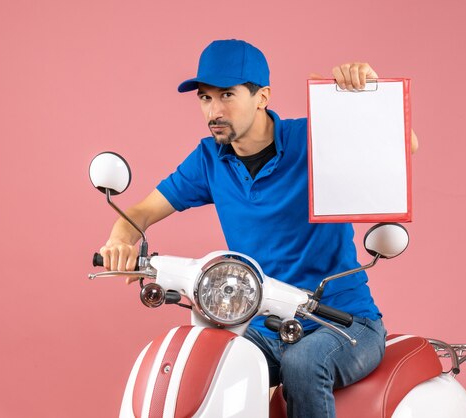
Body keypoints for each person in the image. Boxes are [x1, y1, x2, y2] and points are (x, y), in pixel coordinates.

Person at [99, 39, 418, 418]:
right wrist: (121, 236)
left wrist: (367, 96)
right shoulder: (208, 159)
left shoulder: (311, 139)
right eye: (205, 98)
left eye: (227, 96)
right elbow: (141, 210)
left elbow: (402, 148)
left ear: (262, 96)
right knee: (206, 356)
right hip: (264, 323)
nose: (214, 111)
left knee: (303, 361)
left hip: (344, 324)